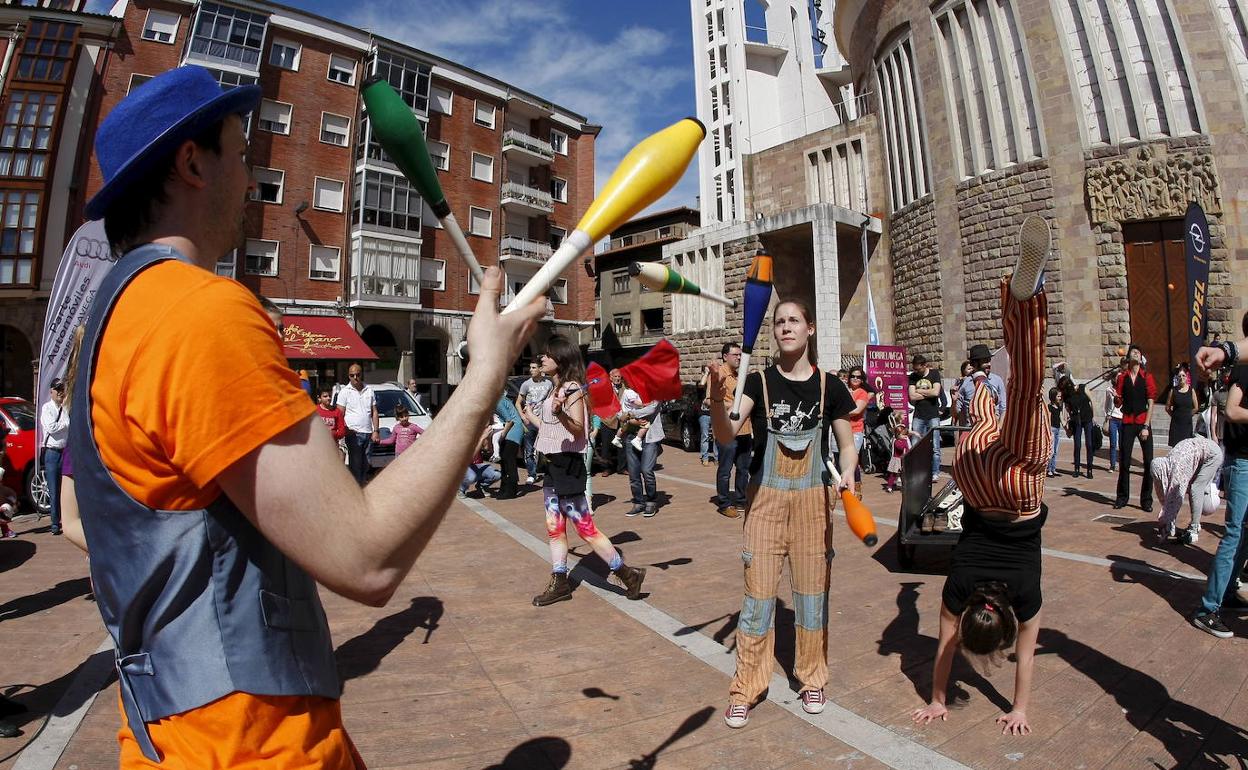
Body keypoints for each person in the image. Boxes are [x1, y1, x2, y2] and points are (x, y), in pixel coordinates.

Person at [72, 65, 547, 766]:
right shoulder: (198, 314)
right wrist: (484, 374)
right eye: (242, 151)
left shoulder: (107, 324)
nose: (254, 174)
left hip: (163, 735)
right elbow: (366, 558)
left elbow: (79, 524)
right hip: (254, 745)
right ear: (192, 162)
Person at [912, 217, 1052, 736]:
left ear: (1006, 624)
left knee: (1029, 389)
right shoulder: (959, 589)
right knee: (995, 412)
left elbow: (1027, 660)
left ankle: (1029, 297)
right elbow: (944, 653)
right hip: (970, 466)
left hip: (1017, 488)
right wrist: (937, 698)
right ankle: (991, 379)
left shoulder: (1024, 596)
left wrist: (1019, 710)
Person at [709, 299, 858, 728]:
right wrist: (720, 399)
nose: (785, 327)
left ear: (810, 328)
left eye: (794, 320)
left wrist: (847, 472)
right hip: (765, 502)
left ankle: (812, 677)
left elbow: (846, 445)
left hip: (814, 503)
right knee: (757, 598)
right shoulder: (756, 383)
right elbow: (725, 434)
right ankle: (747, 686)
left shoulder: (831, 387)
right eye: (779, 322)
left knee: (812, 597)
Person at [530, 336, 646, 606]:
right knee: (554, 527)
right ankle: (560, 581)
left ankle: (628, 575)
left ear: (560, 358)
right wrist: (533, 416)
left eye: (546, 355)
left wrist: (560, 413)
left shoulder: (572, 388)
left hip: (567, 464)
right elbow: (551, 428)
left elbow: (577, 428)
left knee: (585, 528)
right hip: (552, 463)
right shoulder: (556, 387)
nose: (541, 359)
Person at [1151, 436, 1222, 545]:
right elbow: (1164, 493)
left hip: (1213, 455)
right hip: (1201, 453)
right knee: (1193, 489)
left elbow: (1176, 497)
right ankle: (1192, 524)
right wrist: (1166, 517)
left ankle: (1194, 529)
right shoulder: (1168, 461)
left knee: (1196, 489)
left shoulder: (1178, 466)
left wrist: (1167, 522)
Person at [1113, 344, 1157, 512]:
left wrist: (1146, 425)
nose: (1136, 354)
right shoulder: (1122, 377)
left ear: (1141, 357)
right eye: (1133, 352)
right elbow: (1119, 401)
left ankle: (1146, 500)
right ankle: (1122, 497)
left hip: (1142, 421)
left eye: (1138, 352)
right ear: (1129, 358)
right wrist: (1116, 399)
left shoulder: (1147, 376)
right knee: (1124, 462)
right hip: (1127, 422)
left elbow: (1151, 402)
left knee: (1148, 462)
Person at [715, 342, 752, 518]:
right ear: (725, 356)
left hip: (745, 429)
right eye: (735, 355)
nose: (739, 357)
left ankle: (740, 500)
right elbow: (710, 401)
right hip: (727, 431)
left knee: (744, 468)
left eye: (740, 355)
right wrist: (737, 405)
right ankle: (724, 503)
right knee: (725, 469)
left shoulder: (741, 375)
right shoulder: (719, 374)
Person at [620, 378, 664, 517]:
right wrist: (627, 417)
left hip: (650, 438)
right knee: (633, 473)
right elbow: (620, 413)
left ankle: (651, 501)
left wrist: (630, 414)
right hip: (631, 436)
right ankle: (638, 502)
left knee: (646, 470)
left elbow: (651, 409)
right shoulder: (628, 393)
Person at [337, 363, 379, 484]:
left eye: (358, 374)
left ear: (362, 374)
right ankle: (357, 489)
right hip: (353, 434)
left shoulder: (369, 390)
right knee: (356, 465)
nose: (355, 377)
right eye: (352, 375)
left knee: (366, 464)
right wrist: (345, 430)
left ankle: (362, 487)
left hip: (368, 433)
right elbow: (340, 414)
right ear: (348, 376)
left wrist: (376, 431)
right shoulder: (344, 392)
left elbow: (374, 411)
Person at [39, 377, 70, 535]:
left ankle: (67, 520)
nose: (60, 392)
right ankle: (54, 524)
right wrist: (64, 424)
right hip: (52, 453)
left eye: (62, 389)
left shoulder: (65, 408)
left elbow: (69, 425)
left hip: (65, 451)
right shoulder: (47, 408)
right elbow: (51, 427)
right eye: (57, 389)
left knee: (66, 489)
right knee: (53, 489)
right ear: (51, 391)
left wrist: (64, 424)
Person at [517, 360, 553, 485]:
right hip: (530, 421)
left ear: (540, 369)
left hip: (544, 420)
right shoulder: (526, 384)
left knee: (547, 447)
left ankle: (550, 472)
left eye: (534, 367)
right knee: (529, 449)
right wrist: (523, 416)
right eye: (530, 367)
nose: (531, 370)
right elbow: (518, 402)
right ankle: (531, 474)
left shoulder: (548, 383)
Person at [909, 354, 944, 479]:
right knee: (915, 445)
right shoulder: (913, 377)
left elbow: (936, 392)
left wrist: (919, 391)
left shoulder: (934, 374)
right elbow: (912, 396)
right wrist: (928, 393)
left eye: (918, 369)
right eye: (915, 369)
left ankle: (935, 472)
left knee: (935, 446)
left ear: (924, 365)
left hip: (933, 415)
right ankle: (916, 471)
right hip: (918, 415)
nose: (916, 372)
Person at [957, 345, 1005, 425]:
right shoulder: (965, 383)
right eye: (985, 361)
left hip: (992, 430)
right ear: (975, 363)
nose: (989, 364)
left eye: (989, 361)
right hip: (972, 429)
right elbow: (957, 412)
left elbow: (1003, 407)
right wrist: (954, 400)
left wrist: (999, 427)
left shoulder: (997, 380)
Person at [1062, 378, 1095, 479]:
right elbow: (1067, 410)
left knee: (1089, 444)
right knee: (1077, 445)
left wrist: (1093, 417)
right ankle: (1076, 468)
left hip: (1088, 418)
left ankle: (1089, 468)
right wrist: (1066, 424)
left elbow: (1092, 401)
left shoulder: (1082, 387)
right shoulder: (1067, 396)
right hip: (1076, 421)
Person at [494, 390, 524, 499]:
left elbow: (509, 420)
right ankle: (504, 487)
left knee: (508, 459)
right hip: (508, 429)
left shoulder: (497, 401)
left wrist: (502, 436)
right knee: (504, 460)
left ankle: (511, 490)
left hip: (514, 429)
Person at [846, 366, 871, 492]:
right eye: (853, 376)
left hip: (855, 430)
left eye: (858, 377)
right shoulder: (844, 390)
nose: (855, 379)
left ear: (862, 380)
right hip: (842, 429)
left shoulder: (863, 393)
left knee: (852, 458)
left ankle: (856, 484)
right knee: (840, 456)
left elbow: (856, 410)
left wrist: (838, 411)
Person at [459, 425, 501, 498]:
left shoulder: (476, 435)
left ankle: (481, 486)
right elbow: (470, 457)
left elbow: (487, 449)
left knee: (497, 474)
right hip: (463, 468)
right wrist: (482, 438)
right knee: (471, 476)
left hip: (476, 466)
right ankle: (461, 489)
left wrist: (488, 436)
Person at [1103, 358, 1125, 472]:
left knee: (1122, 444)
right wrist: (1107, 414)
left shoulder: (1124, 389)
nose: (1119, 378)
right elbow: (1106, 404)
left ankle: (1122, 464)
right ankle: (1112, 465)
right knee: (1113, 443)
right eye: (1117, 376)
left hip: (1122, 418)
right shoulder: (1109, 390)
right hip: (1113, 419)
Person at [1167, 366, 1198, 446]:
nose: (1181, 377)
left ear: (1187, 376)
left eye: (1183, 375)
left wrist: (1188, 415)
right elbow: (1167, 407)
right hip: (1176, 424)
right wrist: (1174, 415)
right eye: (1179, 376)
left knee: (1186, 448)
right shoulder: (1173, 391)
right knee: (1176, 448)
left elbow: (1196, 407)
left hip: (1187, 424)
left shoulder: (1191, 390)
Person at [697, 365, 717, 466]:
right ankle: (705, 457)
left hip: (715, 413)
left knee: (716, 436)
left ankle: (717, 457)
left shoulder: (714, 384)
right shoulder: (701, 383)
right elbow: (701, 385)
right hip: (704, 414)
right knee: (704, 436)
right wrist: (706, 373)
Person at [886, 420, 911, 492]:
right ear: (897, 435)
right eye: (903, 435)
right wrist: (905, 443)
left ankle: (904, 486)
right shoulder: (896, 441)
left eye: (906, 435)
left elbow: (908, 449)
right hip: (897, 460)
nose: (905, 437)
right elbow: (900, 448)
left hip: (904, 459)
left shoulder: (905, 440)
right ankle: (889, 486)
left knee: (904, 475)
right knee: (894, 474)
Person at [1046, 387, 1062, 478]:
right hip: (1052, 429)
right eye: (1058, 396)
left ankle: (1053, 469)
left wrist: (1066, 427)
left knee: (1056, 450)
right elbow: (1048, 418)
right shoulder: (1050, 407)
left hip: (1057, 429)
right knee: (1051, 451)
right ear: (1053, 396)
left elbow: (1061, 418)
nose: (1060, 398)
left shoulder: (1059, 407)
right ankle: (1049, 469)